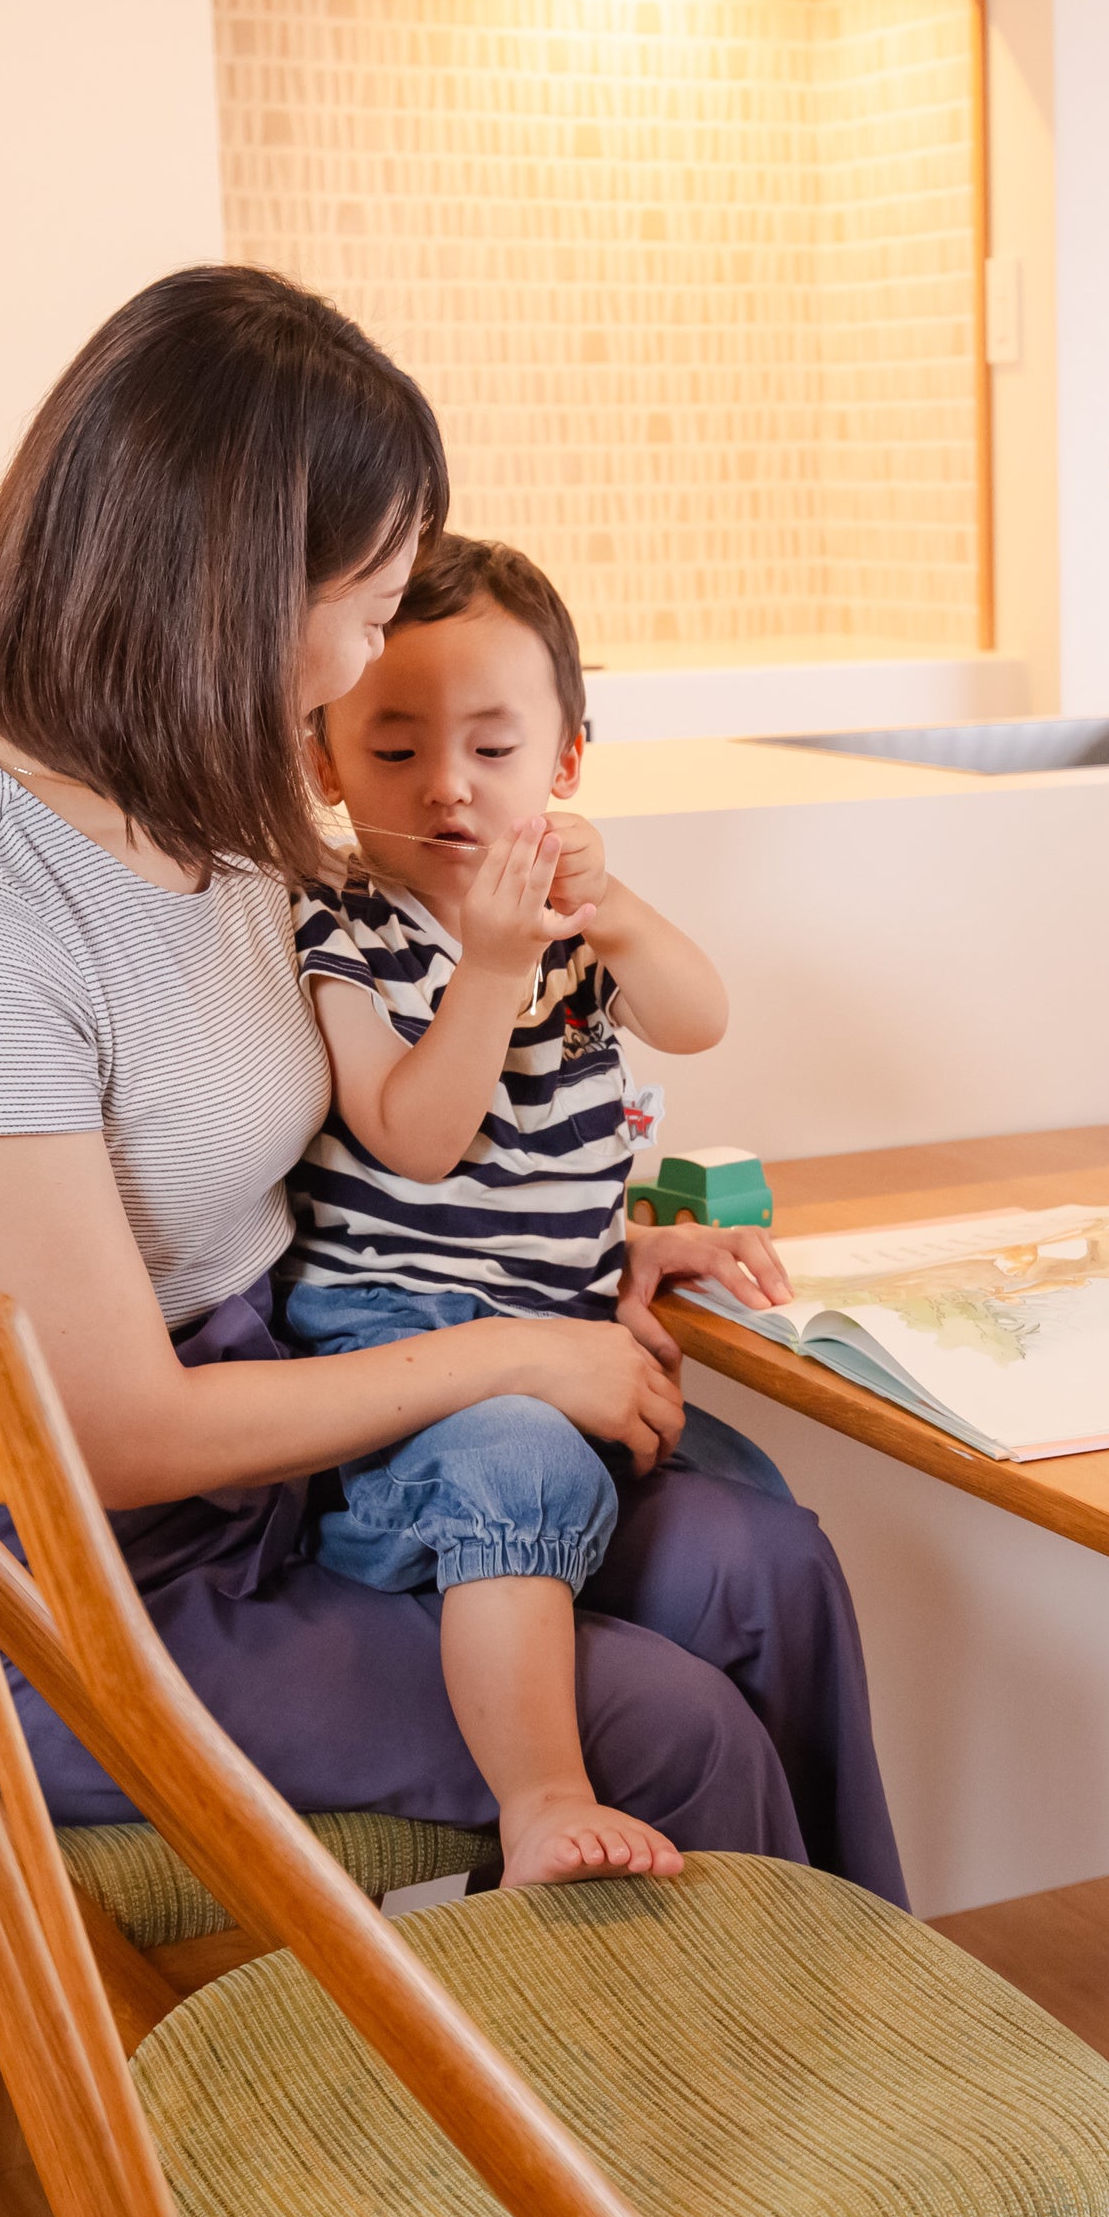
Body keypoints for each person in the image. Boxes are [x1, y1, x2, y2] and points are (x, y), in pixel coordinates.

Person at [0, 267, 905, 1906]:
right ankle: (708, 2078)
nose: (371, 655)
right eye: (369, 601)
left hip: (286, 1453)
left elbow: (350, 1129)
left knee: (764, 1569)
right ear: (234, 591)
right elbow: (117, 1432)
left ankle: (887, 2033)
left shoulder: (209, 806)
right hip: (76, 1583)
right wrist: (518, 1346)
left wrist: (591, 1240)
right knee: (673, 1731)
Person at [280, 530, 803, 1887]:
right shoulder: (343, 923)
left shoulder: (569, 924)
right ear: (325, 762)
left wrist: (608, 907)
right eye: (395, 749)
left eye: (494, 748)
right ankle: (544, 1803)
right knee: (520, 1467)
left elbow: (698, 1016)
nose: (448, 785)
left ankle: (786, 1916)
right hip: (398, 1346)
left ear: (566, 760)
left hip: (564, 1333)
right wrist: (491, 971)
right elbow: (418, 1138)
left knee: (753, 1501)